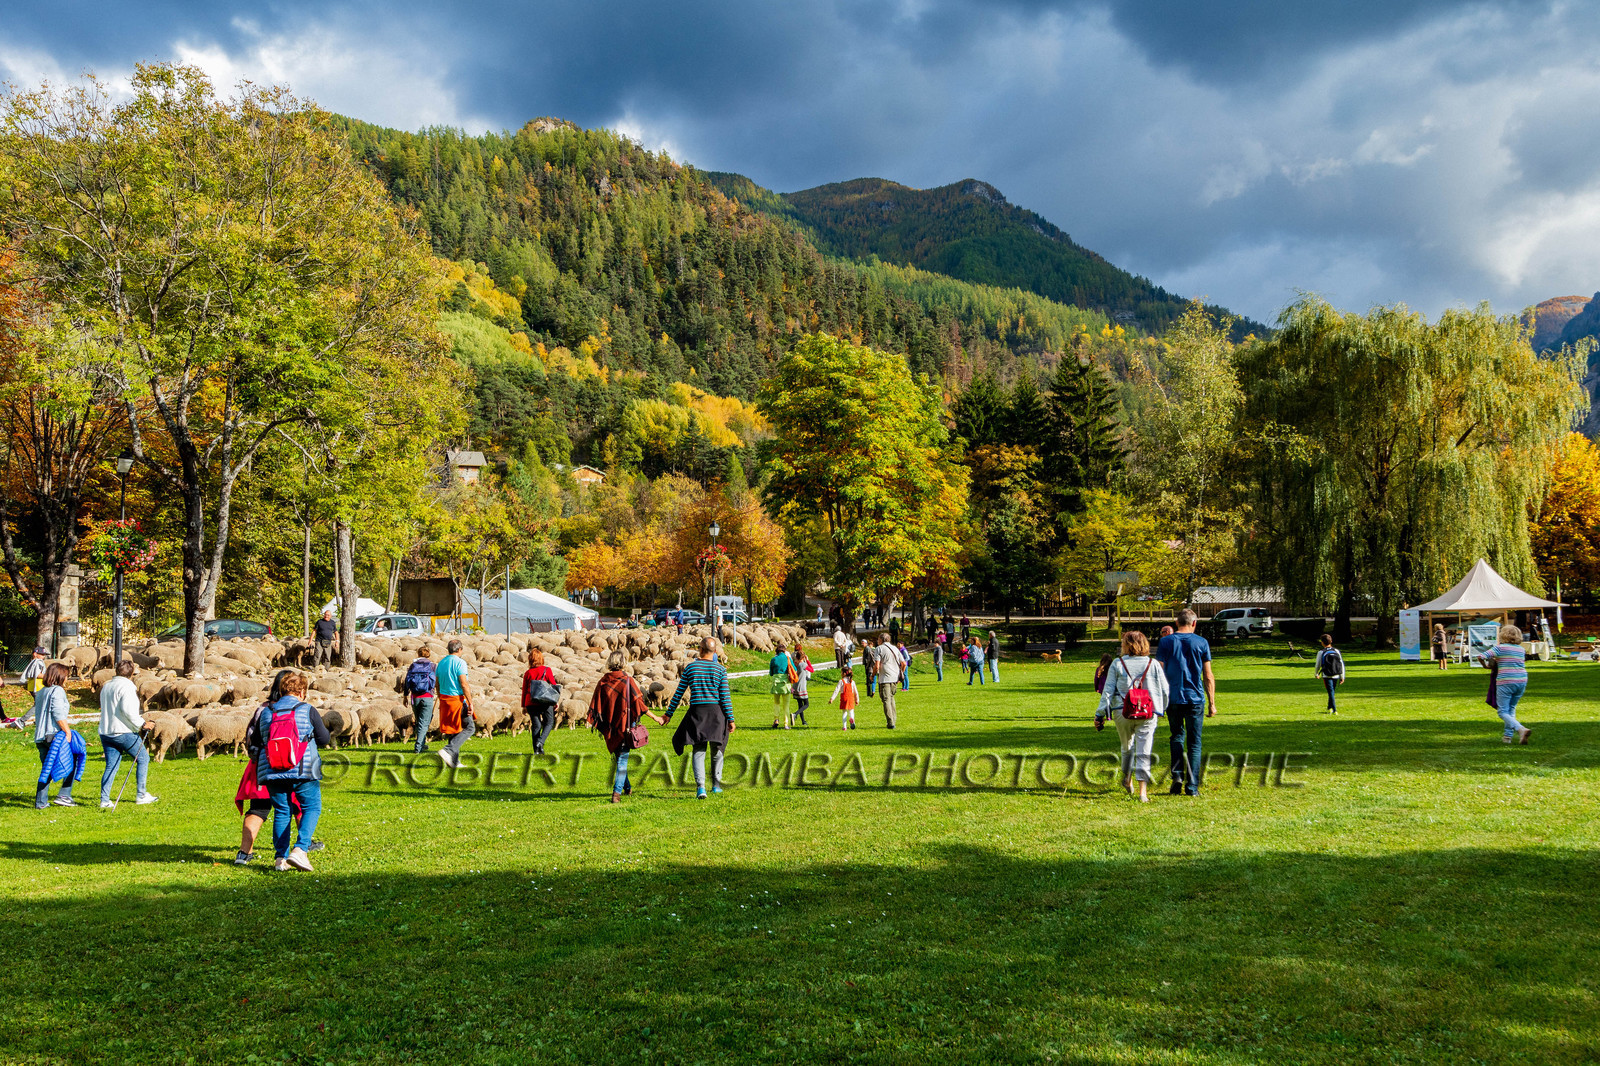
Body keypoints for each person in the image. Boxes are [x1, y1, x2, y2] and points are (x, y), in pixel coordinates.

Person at [236, 670, 324, 864]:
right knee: (310, 806)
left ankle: (278, 858)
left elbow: (254, 741)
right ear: (301, 691)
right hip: (303, 768)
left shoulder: (265, 711)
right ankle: (301, 848)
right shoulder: (306, 708)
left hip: (270, 768)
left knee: (281, 811)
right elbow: (324, 738)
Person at [1095, 630, 1170, 802]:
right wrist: (1162, 709)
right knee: (1144, 750)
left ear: (1127, 645)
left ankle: (1127, 779)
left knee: (1126, 747)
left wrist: (1100, 714)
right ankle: (1142, 792)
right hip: (1148, 711)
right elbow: (1165, 689)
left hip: (1122, 711)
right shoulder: (1153, 664)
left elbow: (1108, 691)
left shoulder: (1117, 663)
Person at [663, 636, 736, 798]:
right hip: (716, 713)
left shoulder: (690, 668)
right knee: (717, 749)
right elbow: (725, 697)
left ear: (700, 650)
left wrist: (669, 714)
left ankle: (701, 787)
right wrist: (730, 719)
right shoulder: (720, 670)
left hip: (697, 713)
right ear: (715, 651)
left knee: (698, 749)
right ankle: (716, 785)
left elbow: (678, 694)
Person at [1154, 609, 1216, 797]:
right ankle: (1192, 786)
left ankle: (1177, 777)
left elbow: (1159, 672)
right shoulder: (1202, 642)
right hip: (1195, 697)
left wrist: (1158, 699)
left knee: (1176, 736)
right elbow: (1208, 675)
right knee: (1194, 743)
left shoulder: (1165, 642)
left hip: (1172, 697)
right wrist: (1212, 702)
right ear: (1194, 623)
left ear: (1176, 622)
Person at [589, 651, 665, 802]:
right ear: (623, 662)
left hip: (610, 727)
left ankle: (627, 788)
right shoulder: (627, 681)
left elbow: (597, 705)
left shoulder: (603, 681)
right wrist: (656, 718)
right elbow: (639, 704)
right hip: (625, 726)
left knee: (620, 760)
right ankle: (616, 794)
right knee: (622, 761)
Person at [98, 660, 155, 808]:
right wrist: (143, 724)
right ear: (131, 673)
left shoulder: (107, 686)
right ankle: (141, 794)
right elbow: (128, 710)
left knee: (111, 765)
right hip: (123, 731)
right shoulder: (127, 687)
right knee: (143, 758)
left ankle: (105, 800)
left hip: (106, 731)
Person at [25, 662, 78, 808]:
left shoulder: (42, 691)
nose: (67, 679)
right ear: (60, 676)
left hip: (40, 737)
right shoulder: (57, 691)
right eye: (66, 676)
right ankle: (64, 795)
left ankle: (41, 802)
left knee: (46, 770)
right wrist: (67, 731)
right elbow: (58, 713)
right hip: (53, 735)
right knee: (73, 761)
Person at [1489, 625, 1532, 744]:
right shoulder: (1521, 649)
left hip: (1506, 681)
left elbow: (1482, 656)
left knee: (1502, 711)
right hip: (1522, 680)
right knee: (1511, 709)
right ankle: (1507, 737)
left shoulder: (1499, 648)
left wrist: (1485, 665)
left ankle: (1521, 729)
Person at [435, 639, 475, 768]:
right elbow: (464, 683)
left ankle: (454, 761)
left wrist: (441, 697)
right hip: (457, 699)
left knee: (454, 730)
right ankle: (448, 750)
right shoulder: (460, 663)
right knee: (470, 727)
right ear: (459, 650)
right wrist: (470, 702)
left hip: (445, 699)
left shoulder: (441, 663)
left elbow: (437, 684)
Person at [521, 646, 561, 755]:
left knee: (536, 725)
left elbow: (524, 690)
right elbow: (553, 685)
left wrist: (524, 706)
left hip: (531, 701)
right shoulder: (547, 670)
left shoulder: (527, 673)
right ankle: (540, 742)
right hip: (545, 700)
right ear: (541, 659)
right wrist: (555, 701)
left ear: (530, 659)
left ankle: (537, 751)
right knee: (549, 722)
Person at [403, 646, 438, 754]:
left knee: (420, 722)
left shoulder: (413, 665)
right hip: (427, 696)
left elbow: (407, 681)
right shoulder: (432, 666)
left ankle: (422, 744)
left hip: (415, 697)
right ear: (429, 654)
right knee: (424, 723)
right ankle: (418, 747)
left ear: (418, 654)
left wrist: (405, 696)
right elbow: (436, 681)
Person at [874, 633, 901, 728]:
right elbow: (904, 663)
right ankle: (893, 719)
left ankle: (890, 722)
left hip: (885, 678)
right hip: (894, 677)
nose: (877, 641)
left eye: (878, 639)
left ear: (881, 640)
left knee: (886, 699)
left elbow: (877, 665)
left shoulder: (879, 648)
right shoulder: (895, 648)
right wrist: (899, 674)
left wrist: (873, 675)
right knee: (891, 698)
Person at [1315, 634, 1345, 713]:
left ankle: (1334, 709)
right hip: (1336, 674)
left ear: (1322, 642)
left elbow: (1318, 664)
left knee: (1330, 692)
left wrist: (1316, 673)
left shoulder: (1321, 652)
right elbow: (1341, 664)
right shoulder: (1336, 651)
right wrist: (1342, 676)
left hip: (1326, 674)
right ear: (1331, 641)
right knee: (1332, 691)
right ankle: (1329, 707)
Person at [769, 643, 793, 729]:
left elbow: (771, 673)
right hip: (785, 684)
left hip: (776, 684)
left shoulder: (773, 660)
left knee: (776, 703)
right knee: (786, 705)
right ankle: (786, 724)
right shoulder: (788, 659)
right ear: (784, 651)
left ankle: (776, 719)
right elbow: (794, 669)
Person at [830, 666, 860, 730]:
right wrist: (857, 700)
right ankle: (852, 719)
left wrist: (832, 698)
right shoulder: (852, 682)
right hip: (851, 698)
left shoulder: (841, 681)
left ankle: (844, 727)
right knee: (851, 711)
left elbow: (836, 690)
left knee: (844, 712)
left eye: (841, 672)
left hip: (844, 698)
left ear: (844, 673)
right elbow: (856, 692)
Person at [791, 645, 814, 727]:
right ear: (803, 657)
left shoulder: (795, 664)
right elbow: (812, 670)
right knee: (806, 704)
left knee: (800, 704)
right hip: (802, 687)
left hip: (795, 686)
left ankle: (803, 721)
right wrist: (808, 661)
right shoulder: (803, 664)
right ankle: (795, 714)